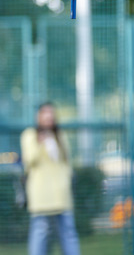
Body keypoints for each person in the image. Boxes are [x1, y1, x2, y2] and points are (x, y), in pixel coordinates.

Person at [20, 102, 81, 255]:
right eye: (45, 114)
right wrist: (40, 143)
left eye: (51, 114)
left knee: (68, 232)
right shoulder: (29, 135)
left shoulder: (60, 135)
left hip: (61, 193)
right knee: (40, 233)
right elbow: (29, 161)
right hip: (41, 194)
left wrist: (67, 177)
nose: (49, 117)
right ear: (39, 116)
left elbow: (66, 161)